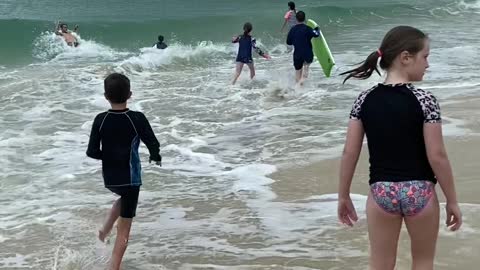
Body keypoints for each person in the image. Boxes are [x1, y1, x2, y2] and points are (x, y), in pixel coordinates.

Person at [337, 26, 462, 270]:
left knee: (381, 265)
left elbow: (349, 152)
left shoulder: (364, 100)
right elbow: (437, 155)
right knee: (423, 262)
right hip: (420, 192)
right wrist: (452, 200)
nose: (427, 64)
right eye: (425, 56)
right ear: (405, 58)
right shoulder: (425, 100)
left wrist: (343, 195)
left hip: (381, 192)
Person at [86, 73, 162, 270]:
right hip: (130, 178)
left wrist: (109, 156)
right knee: (125, 229)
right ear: (130, 94)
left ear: (105, 96)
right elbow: (152, 142)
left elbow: (92, 152)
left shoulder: (100, 119)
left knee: (123, 199)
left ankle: (104, 230)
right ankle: (114, 267)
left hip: (110, 177)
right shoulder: (136, 118)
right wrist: (156, 156)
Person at [286, 11, 319, 84]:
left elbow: (288, 42)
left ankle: (297, 91)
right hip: (307, 54)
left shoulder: (293, 30)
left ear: (296, 19)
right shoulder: (308, 29)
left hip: (297, 55)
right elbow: (316, 34)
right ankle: (301, 86)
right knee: (305, 73)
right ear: (304, 19)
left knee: (298, 74)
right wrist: (317, 29)